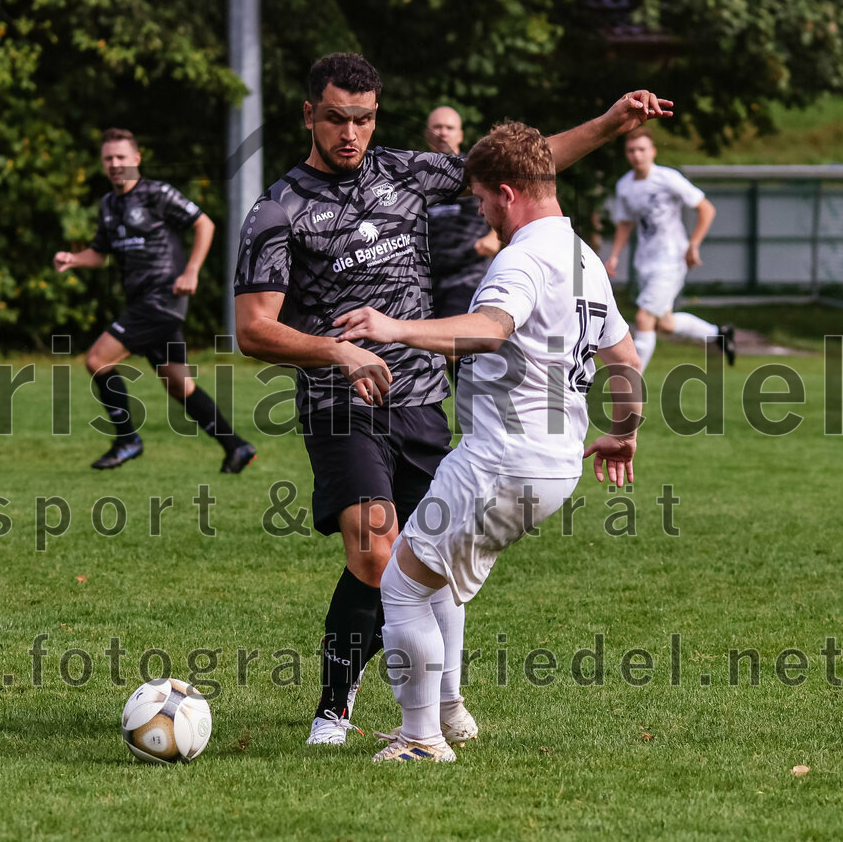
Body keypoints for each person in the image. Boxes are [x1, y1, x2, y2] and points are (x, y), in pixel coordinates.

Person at [234, 53, 668, 746]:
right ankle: (336, 707)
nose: (351, 133)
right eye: (337, 118)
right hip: (341, 402)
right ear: (309, 114)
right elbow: (254, 328)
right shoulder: (277, 209)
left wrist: (610, 124)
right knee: (377, 550)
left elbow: (524, 170)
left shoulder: (405, 172)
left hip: (422, 399)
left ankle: (442, 708)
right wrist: (339, 351)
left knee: (430, 561)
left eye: (363, 119)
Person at [335, 121, 642, 762]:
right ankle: (449, 713)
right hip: (555, 465)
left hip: (501, 460)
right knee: (435, 576)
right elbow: (624, 359)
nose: (479, 211)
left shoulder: (523, 257)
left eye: (479, 199)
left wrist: (395, 327)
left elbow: (490, 327)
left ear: (507, 193)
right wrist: (624, 430)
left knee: (401, 587)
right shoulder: (584, 257)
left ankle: (420, 738)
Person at [53, 128, 256, 472]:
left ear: (136, 158)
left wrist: (191, 271)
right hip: (144, 304)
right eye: (108, 158)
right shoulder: (108, 205)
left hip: (162, 298)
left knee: (97, 359)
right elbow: (99, 254)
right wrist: (73, 259)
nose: (115, 164)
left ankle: (127, 440)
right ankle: (236, 447)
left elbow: (204, 224)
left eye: (121, 157)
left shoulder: (156, 194)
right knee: (179, 385)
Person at [605, 126, 734, 373]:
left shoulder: (667, 178)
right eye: (631, 150)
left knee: (644, 318)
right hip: (645, 262)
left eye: (641, 149)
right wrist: (614, 256)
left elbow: (706, 208)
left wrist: (693, 244)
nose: (636, 155)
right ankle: (719, 334)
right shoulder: (624, 186)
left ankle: (631, 382)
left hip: (671, 259)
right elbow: (625, 223)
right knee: (664, 324)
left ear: (653, 151)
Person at [425, 106, 501, 322]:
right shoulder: (415, 175)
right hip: (428, 279)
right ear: (427, 133)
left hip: (469, 275)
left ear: (460, 135)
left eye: (449, 128)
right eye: (437, 127)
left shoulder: (478, 170)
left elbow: (507, 201)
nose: (443, 132)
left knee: (450, 337)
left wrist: (494, 236)